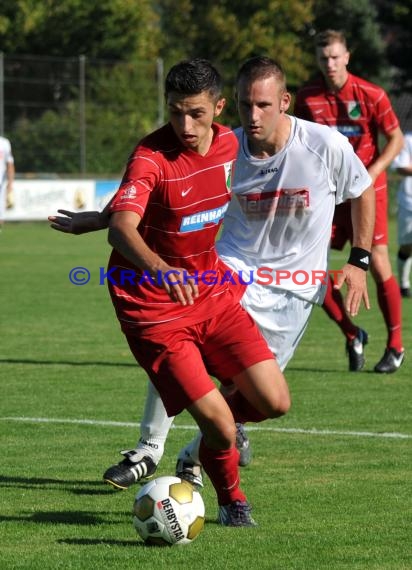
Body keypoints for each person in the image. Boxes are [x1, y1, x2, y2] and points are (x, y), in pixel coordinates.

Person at [50, 57, 375, 494]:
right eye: (245, 105)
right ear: (231, 105)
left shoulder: (323, 145)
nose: (253, 116)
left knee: (260, 396)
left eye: (263, 105)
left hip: (294, 289)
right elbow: (154, 192)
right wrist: (101, 220)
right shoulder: (225, 144)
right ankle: (148, 449)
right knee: (182, 345)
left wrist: (359, 261)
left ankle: (198, 451)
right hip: (230, 269)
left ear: (285, 102)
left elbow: (362, 190)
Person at [294, 29, 405, 374]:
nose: (329, 63)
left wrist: (372, 173)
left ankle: (395, 347)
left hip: (369, 192)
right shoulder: (308, 97)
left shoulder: (371, 94)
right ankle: (353, 332)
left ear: (347, 57)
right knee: (309, 271)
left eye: (335, 56)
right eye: (323, 57)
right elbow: (299, 143)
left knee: (379, 263)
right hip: (328, 193)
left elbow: (396, 140)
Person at [392, 132, 412, 298]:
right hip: (409, 201)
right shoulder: (407, 140)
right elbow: (400, 166)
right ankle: (404, 285)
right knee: (407, 246)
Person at [0, 135, 15, 230]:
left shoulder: (4, 143)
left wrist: (10, 185)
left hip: (0, 185)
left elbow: (10, 164)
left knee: (1, 217)